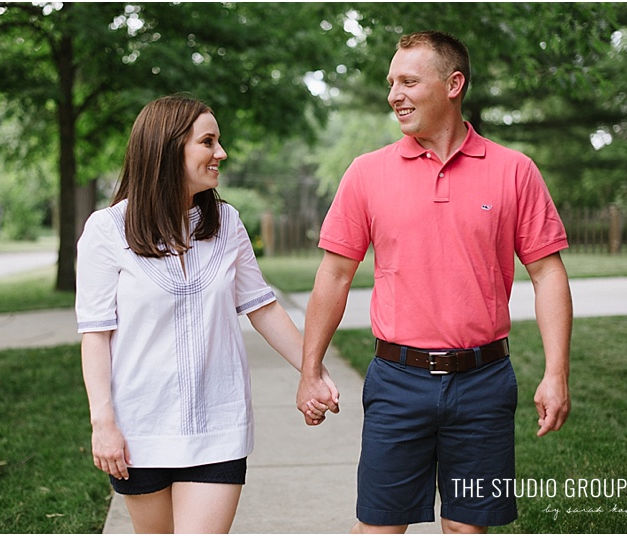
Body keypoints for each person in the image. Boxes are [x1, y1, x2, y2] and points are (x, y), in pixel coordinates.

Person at [296, 31, 573, 534]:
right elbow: (334, 275)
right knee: (378, 527)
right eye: (390, 83)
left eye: (407, 81)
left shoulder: (515, 171)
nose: (393, 95)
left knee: (467, 528)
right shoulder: (366, 174)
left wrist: (556, 373)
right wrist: (310, 369)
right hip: (397, 382)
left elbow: (547, 272)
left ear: (453, 84)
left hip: (484, 384)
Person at [76, 95, 335, 534]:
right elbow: (96, 334)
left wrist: (313, 371)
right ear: (167, 149)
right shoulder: (106, 231)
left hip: (219, 423)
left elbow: (263, 307)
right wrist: (103, 424)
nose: (221, 153)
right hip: (140, 428)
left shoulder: (227, 223)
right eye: (208, 142)